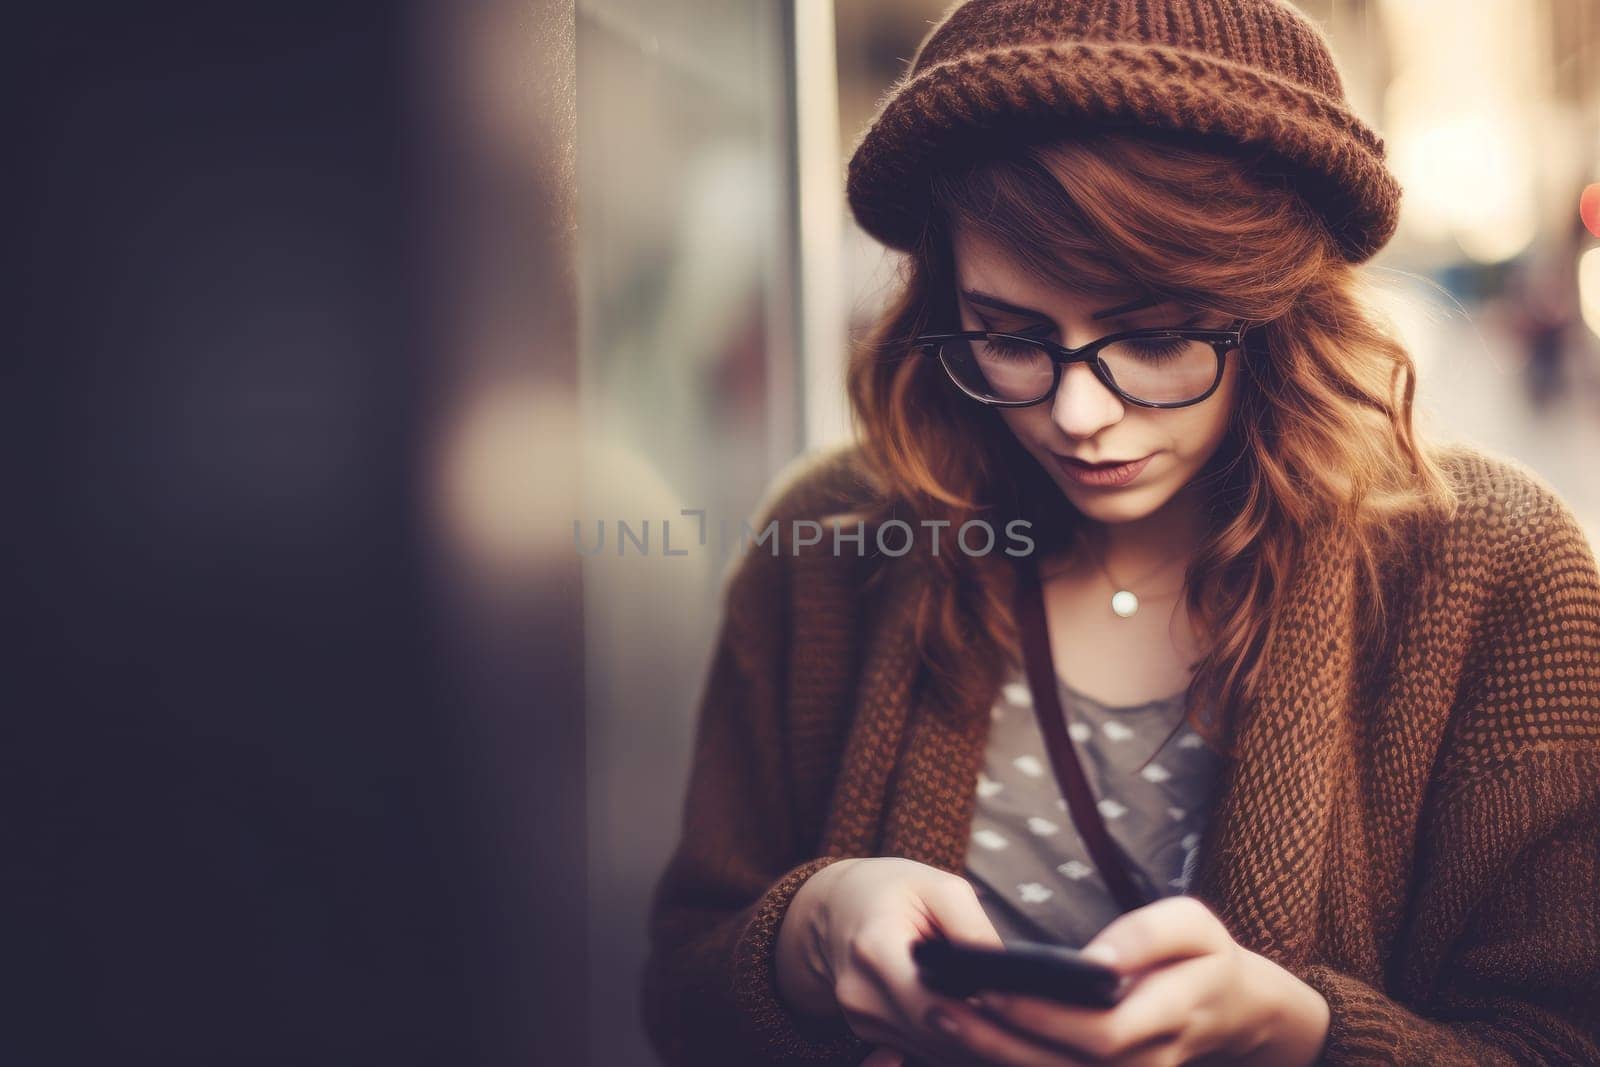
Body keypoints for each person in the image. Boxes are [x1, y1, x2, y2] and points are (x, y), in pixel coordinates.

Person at [639, 1, 1600, 1064]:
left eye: (1151, 337)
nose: (1077, 415)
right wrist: (805, 935)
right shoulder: (830, 544)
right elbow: (683, 990)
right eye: (1009, 336)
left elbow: (1557, 1033)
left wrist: (1301, 1033)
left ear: (1277, 310)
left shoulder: (1500, 573)